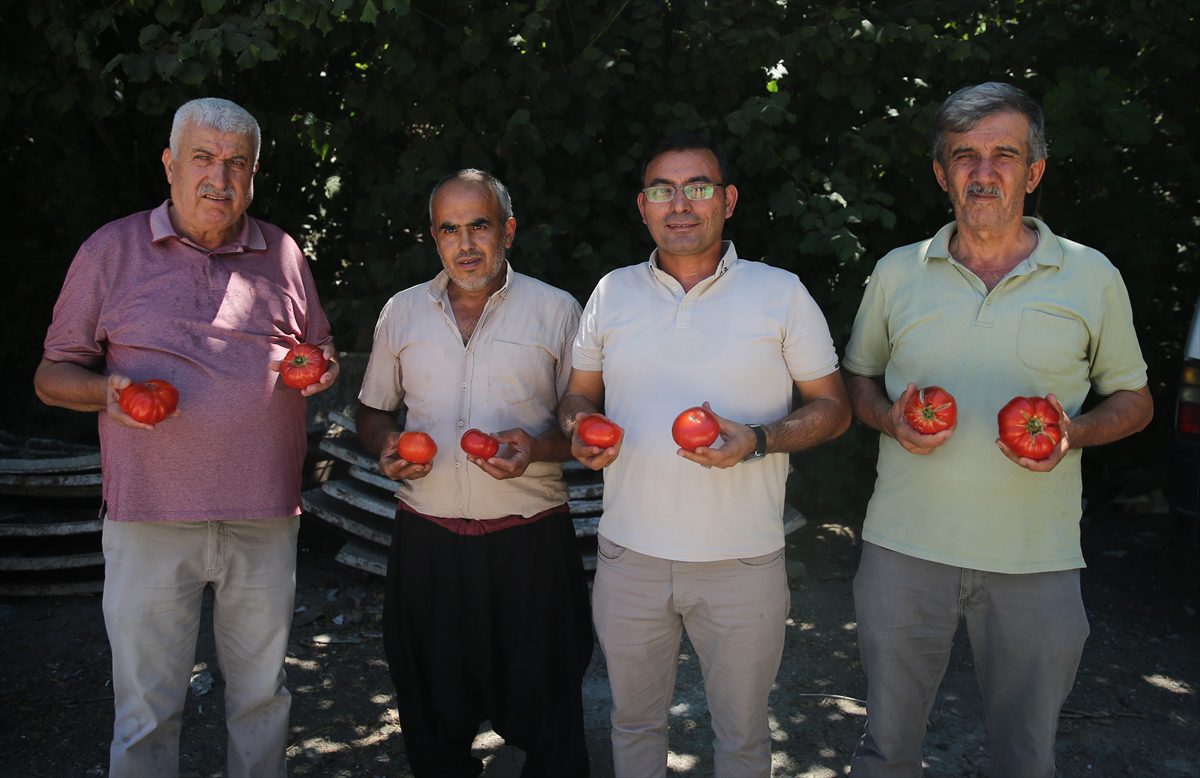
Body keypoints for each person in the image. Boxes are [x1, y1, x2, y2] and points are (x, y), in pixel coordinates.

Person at [843, 82, 1153, 777]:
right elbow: (856, 380)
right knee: (887, 751)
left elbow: (1134, 400)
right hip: (903, 552)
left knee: (1025, 757)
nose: (983, 173)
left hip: (1036, 560)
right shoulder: (897, 274)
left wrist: (1073, 434)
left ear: (1034, 172)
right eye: (964, 156)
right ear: (941, 173)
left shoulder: (1090, 276)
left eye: (1004, 155)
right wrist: (888, 418)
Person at [34, 97, 339, 777]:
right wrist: (102, 393)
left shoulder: (282, 254)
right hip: (150, 519)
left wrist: (319, 370)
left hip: (263, 518)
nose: (218, 178)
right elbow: (51, 375)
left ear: (255, 174)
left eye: (237, 163)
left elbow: (316, 350)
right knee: (147, 708)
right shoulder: (110, 251)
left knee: (263, 698)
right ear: (170, 164)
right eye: (202, 158)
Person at [557, 134, 852, 777]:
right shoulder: (612, 293)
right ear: (643, 206)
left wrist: (759, 440)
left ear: (729, 200)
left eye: (698, 188)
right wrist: (580, 427)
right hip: (629, 556)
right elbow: (578, 396)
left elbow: (833, 408)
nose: (681, 204)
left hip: (742, 560)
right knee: (632, 725)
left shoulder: (781, 293)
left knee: (742, 736)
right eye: (664, 189)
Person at [355, 169, 593, 777]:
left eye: (479, 226)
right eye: (449, 229)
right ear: (434, 238)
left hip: (530, 542)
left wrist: (537, 450)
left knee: (549, 711)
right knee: (431, 713)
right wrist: (385, 444)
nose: (465, 244)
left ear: (508, 230)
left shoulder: (558, 311)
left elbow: (590, 433)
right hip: (427, 543)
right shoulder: (401, 313)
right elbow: (374, 409)